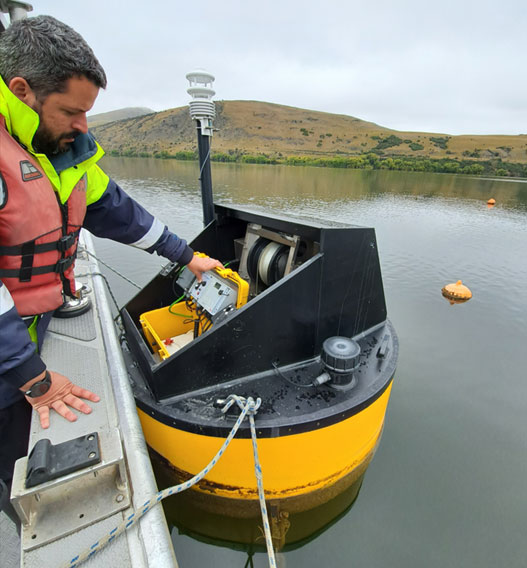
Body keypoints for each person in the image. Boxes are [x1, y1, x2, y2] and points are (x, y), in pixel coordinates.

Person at [0, 15, 222, 501]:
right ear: (21, 91)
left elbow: (118, 212)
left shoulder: (63, 152)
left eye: (88, 113)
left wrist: (188, 257)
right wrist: (31, 378)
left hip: (29, 335)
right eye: (71, 112)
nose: (83, 126)